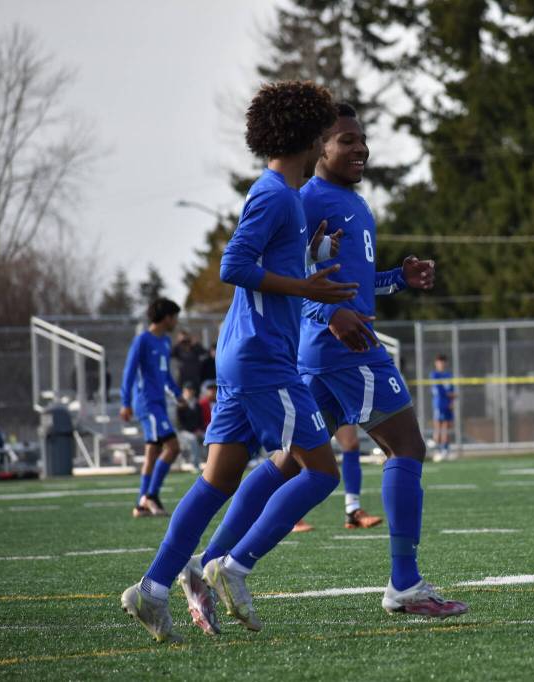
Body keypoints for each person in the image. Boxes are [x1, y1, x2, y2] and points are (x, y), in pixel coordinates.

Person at [197, 103, 467, 626]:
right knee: (406, 446)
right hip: (343, 348)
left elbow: (348, 280)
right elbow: (293, 279)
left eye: (362, 139)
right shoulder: (308, 199)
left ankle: (211, 564)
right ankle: (404, 585)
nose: (359, 147)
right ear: (319, 146)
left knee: (290, 462)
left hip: (325, 348)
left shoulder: (350, 200)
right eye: (346, 139)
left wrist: (397, 278)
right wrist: (330, 312)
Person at [120, 80, 356, 643]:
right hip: (262, 358)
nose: (330, 135)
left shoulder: (286, 197)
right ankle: (234, 564)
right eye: (325, 128)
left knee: (218, 479)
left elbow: (271, 265)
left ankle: (151, 590)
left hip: (242, 357)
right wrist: (307, 285)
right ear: (309, 134)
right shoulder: (275, 193)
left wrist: (312, 258)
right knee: (320, 469)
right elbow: (234, 264)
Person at [120, 299, 186, 518]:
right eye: (175, 316)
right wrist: (125, 402)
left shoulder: (165, 342)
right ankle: (151, 495)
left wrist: (177, 394)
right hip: (148, 403)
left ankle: (141, 504)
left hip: (159, 402)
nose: (176, 321)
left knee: (153, 451)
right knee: (173, 447)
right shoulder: (142, 341)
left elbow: (165, 374)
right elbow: (129, 372)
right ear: (166, 317)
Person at [292, 423, 383, 532]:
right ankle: (291, 515)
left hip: (335, 405)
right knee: (301, 448)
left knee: (351, 444)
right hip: (308, 406)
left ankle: (353, 510)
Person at [430, 354, 456, 461]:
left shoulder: (449, 375)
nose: (442, 364)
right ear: (436, 363)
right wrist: (450, 395)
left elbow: (452, 390)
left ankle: (445, 449)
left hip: (447, 404)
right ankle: (438, 450)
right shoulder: (434, 374)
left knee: (446, 426)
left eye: (443, 362)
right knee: (438, 427)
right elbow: (439, 390)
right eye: (440, 362)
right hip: (439, 404)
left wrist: (452, 401)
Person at [176, 383, 206, 471]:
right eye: (187, 390)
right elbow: (179, 423)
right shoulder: (180, 404)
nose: (189, 392)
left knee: (208, 437)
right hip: (183, 432)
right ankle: (195, 465)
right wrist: (192, 431)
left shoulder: (197, 404)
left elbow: (200, 420)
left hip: (196, 431)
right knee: (193, 439)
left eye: (191, 390)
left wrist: (199, 430)